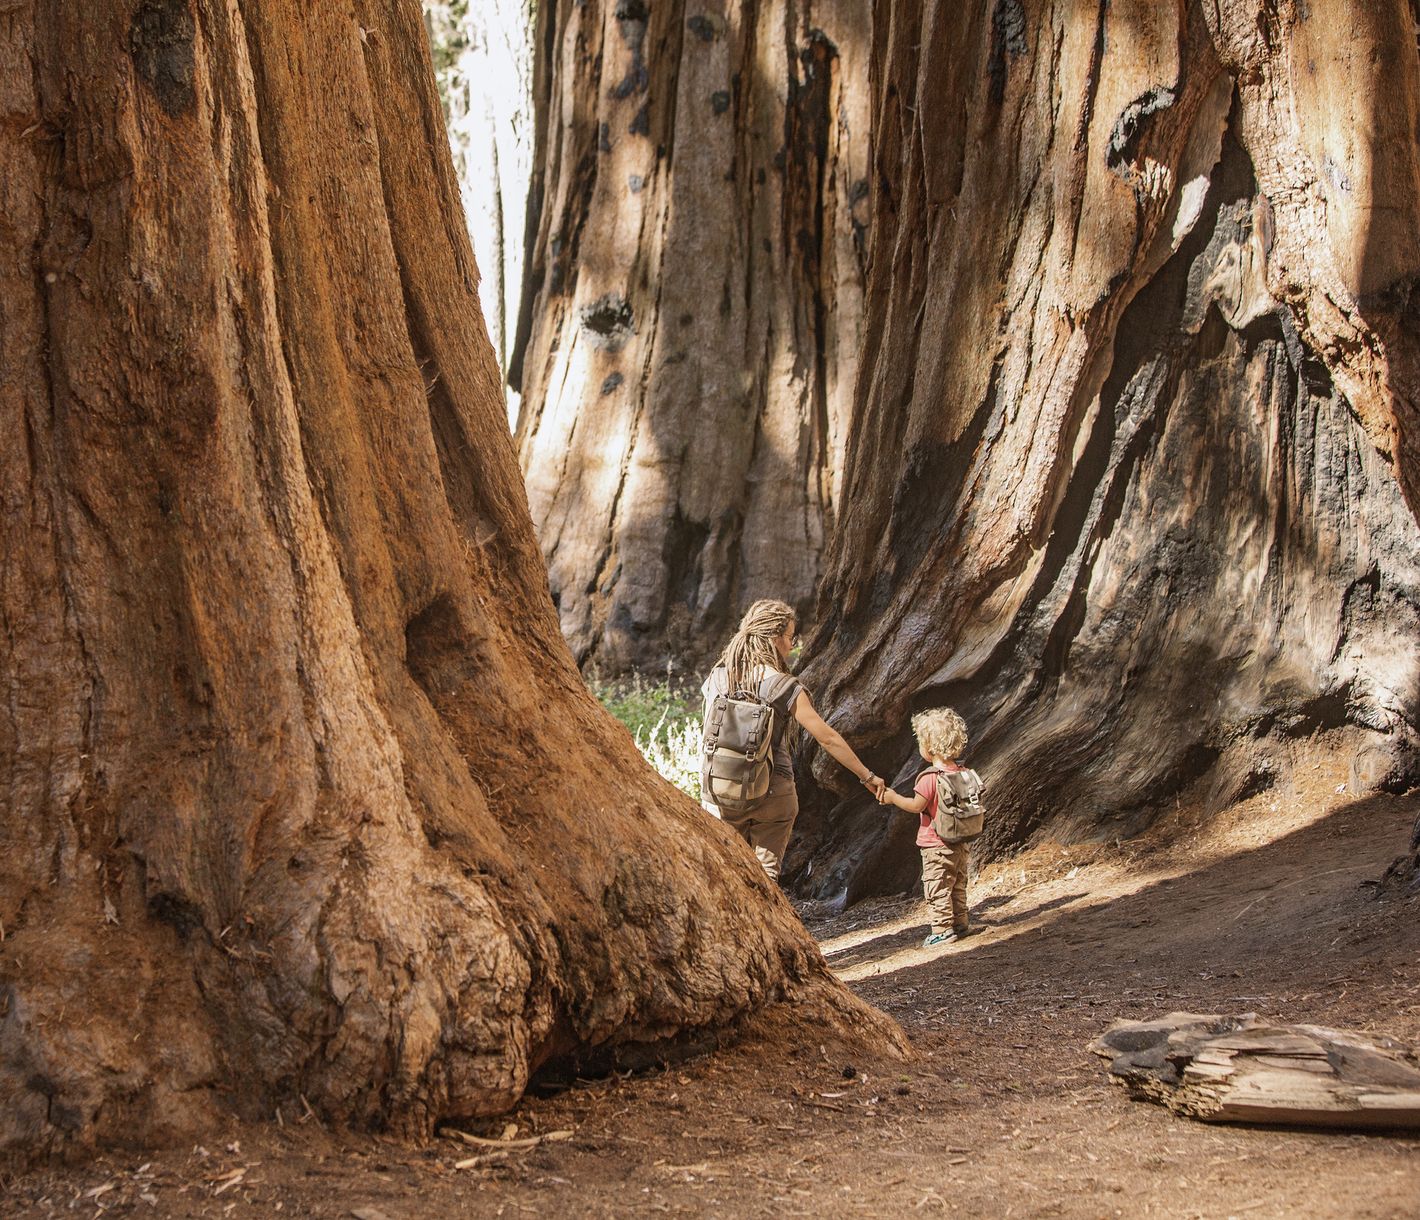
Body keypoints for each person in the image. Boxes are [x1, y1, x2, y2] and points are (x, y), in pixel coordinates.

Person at [701, 599, 886, 881]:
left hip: (720, 793)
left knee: (726, 877)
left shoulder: (717, 677)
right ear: (775, 639)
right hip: (773, 793)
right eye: (790, 637)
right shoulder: (784, 686)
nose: (792, 645)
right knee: (765, 877)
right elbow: (828, 738)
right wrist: (866, 775)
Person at [877, 707, 977, 947]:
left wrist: (892, 798)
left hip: (935, 844)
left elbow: (916, 805)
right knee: (957, 884)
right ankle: (960, 923)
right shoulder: (962, 772)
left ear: (929, 747)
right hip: (960, 841)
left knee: (937, 887)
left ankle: (942, 929)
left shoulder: (930, 777)